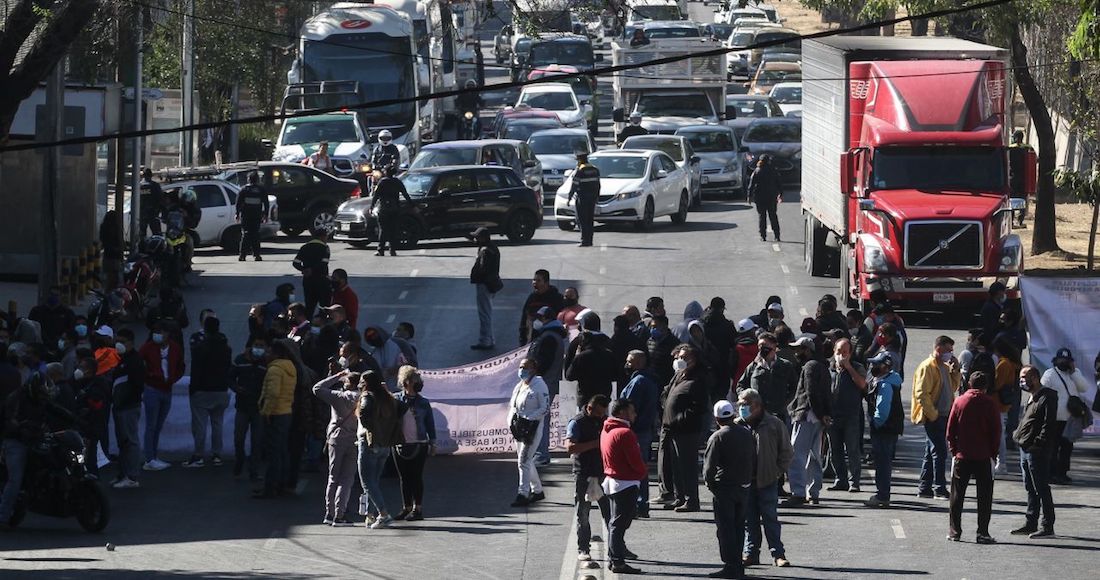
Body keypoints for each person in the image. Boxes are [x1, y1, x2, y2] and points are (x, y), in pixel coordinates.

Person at [736, 388, 792, 568]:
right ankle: (751, 553)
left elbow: (787, 452)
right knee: (748, 521)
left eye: (745, 404)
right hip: (745, 482)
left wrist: (776, 472)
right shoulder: (737, 425)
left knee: (770, 519)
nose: (741, 407)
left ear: (757, 406)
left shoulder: (774, 424)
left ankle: (778, 554)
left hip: (767, 481)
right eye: (740, 404)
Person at [946, 372, 1001, 544]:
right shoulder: (990, 403)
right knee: (984, 496)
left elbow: (950, 430)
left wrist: (954, 451)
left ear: (969, 384)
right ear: (986, 386)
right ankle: (982, 532)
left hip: (963, 455)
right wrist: (993, 453)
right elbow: (996, 431)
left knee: (957, 496)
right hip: (983, 455)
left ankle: (955, 531)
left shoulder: (960, 401)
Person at [704, 400, 756, 579]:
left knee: (725, 528)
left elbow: (709, 468)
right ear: (733, 415)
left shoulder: (717, 437)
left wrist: (712, 486)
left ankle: (731, 565)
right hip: (744, 486)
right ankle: (738, 564)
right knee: (739, 526)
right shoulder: (746, 433)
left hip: (725, 487)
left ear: (716, 418)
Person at [601, 398, 647, 575]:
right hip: (626, 482)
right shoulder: (625, 433)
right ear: (621, 412)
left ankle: (614, 558)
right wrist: (642, 473)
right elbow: (635, 460)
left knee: (616, 523)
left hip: (613, 481)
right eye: (632, 410)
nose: (634, 414)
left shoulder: (608, 429)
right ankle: (618, 561)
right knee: (620, 524)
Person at [1011, 366, 1059, 538]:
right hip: (1025, 449)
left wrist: (1037, 444)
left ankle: (1047, 526)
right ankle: (1031, 522)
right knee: (1030, 488)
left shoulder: (1047, 397)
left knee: (1041, 488)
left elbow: (1048, 425)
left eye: (1025, 377)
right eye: (1021, 377)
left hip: (1036, 451)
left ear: (1035, 378)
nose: (1022, 380)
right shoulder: (1032, 397)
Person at [661, 345, 709, 512]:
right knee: (676, 466)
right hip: (672, 429)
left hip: (686, 431)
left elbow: (699, 407)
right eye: (679, 357)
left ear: (693, 360)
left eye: (684, 357)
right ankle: (679, 496)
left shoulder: (698, 380)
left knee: (687, 467)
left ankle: (691, 500)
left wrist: (679, 419)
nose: (680, 360)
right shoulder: (679, 376)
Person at [912, 335, 961, 499]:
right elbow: (921, 393)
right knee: (939, 452)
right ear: (939, 348)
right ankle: (939, 488)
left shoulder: (945, 367)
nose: (951, 354)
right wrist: (932, 415)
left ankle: (924, 487)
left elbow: (952, 387)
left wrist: (956, 371)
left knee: (930, 452)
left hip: (944, 415)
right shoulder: (928, 367)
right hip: (935, 416)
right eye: (948, 350)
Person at [784, 336, 830, 506]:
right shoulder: (822, 366)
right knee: (814, 456)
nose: (796, 352)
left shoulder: (810, 366)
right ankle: (813, 492)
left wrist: (819, 412)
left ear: (807, 350)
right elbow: (827, 393)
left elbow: (811, 393)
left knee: (796, 455)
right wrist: (825, 414)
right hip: (817, 418)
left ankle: (798, 493)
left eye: (799, 349)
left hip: (806, 415)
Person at [313, 369, 362, 526]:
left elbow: (317, 388)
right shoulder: (363, 398)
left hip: (335, 438)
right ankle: (340, 515)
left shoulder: (337, 396)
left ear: (347, 383)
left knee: (333, 477)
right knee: (347, 478)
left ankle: (329, 513)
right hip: (354, 439)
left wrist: (337, 376)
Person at [566, 394, 611, 562]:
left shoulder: (605, 420)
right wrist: (596, 443)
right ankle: (583, 548)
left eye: (603, 413)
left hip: (602, 473)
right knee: (583, 514)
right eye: (598, 413)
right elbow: (570, 448)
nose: (601, 416)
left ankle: (616, 548)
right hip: (583, 473)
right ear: (589, 408)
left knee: (610, 513)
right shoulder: (577, 422)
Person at [356, 370, 403, 528]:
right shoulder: (387, 397)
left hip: (370, 444)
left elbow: (363, 413)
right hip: (385, 445)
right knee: (374, 481)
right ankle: (370, 514)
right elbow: (402, 407)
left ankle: (383, 514)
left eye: (362, 381)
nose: (360, 384)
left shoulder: (367, 396)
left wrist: (372, 429)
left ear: (367, 383)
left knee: (367, 482)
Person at [183, 315, 232, 468]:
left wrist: (193, 388)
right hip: (221, 389)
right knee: (217, 423)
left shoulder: (200, 348)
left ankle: (198, 455)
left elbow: (196, 369)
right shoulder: (226, 348)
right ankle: (216, 454)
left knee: (200, 425)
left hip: (203, 389)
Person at [1040, 347, 1091, 485]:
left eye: (1067, 360)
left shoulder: (1074, 374)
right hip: (1054, 418)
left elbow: (1084, 387)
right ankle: (1052, 473)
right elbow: (1043, 390)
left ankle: (1063, 473)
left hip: (1070, 419)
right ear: (1056, 360)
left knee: (1067, 448)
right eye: (1061, 359)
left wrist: (1074, 372)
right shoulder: (1049, 374)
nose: (1064, 362)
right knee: (1053, 447)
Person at [139, 324, 185, 471]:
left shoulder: (175, 348)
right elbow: (139, 364)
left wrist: (172, 379)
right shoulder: (147, 347)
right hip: (152, 389)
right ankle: (149, 458)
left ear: (167, 334)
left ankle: (154, 455)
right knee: (151, 425)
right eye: (155, 331)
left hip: (167, 390)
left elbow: (180, 366)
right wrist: (150, 376)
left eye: (160, 331)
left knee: (158, 425)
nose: (157, 335)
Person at [393, 366, 436, 521]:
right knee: (404, 478)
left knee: (416, 476)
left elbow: (430, 424)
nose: (419, 383)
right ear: (406, 382)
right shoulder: (396, 399)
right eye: (415, 380)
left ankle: (418, 508)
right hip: (400, 444)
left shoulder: (424, 403)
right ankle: (406, 507)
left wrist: (433, 442)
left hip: (420, 444)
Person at [862, 351, 904, 508]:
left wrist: (876, 423)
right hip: (889, 429)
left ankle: (882, 495)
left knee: (883, 463)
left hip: (884, 429)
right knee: (883, 462)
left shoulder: (885, 385)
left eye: (876, 364)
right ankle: (882, 493)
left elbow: (882, 409)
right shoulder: (885, 381)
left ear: (885, 367)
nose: (872, 366)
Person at [619, 349, 658, 516]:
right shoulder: (644, 380)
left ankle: (638, 504)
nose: (627, 364)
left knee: (635, 468)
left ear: (639, 362)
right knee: (639, 467)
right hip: (643, 430)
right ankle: (641, 503)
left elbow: (628, 407)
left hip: (637, 431)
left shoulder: (639, 382)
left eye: (630, 361)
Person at [256, 340, 297, 499]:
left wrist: (266, 411)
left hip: (275, 414)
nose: (266, 355)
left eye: (269, 352)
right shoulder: (290, 367)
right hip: (286, 411)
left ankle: (270, 487)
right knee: (281, 451)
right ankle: (281, 484)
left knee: (273, 453)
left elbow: (272, 393)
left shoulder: (274, 370)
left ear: (275, 354)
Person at [825, 338, 867, 493]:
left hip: (851, 415)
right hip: (832, 416)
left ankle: (854, 481)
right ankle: (840, 479)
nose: (841, 355)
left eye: (844, 352)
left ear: (850, 354)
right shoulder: (829, 369)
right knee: (834, 450)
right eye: (838, 352)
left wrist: (849, 368)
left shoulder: (857, 367)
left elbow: (863, 385)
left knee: (852, 449)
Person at [508, 358, 550, 507]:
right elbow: (513, 406)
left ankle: (523, 493)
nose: (522, 370)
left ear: (534, 369)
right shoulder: (520, 386)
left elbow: (544, 408)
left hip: (531, 430)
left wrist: (529, 419)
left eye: (525, 367)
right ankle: (538, 491)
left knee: (523, 461)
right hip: (519, 429)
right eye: (520, 367)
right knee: (526, 460)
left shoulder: (540, 386)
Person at [528, 307, 567, 464]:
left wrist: (533, 377)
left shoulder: (549, 338)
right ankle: (540, 453)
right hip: (546, 383)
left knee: (539, 420)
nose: (536, 321)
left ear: (546, 319)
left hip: (544, 383)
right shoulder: (551, 335)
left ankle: (541, 454)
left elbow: (543, 363)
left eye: (539, 317)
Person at [736, 332, 798, 426]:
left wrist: (786, 402)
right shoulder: (753, 367)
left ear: (774, 346)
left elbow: (795, 387)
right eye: (760, 346)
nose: (762, 349)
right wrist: (747, 399)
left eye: (765, 346)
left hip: (779, 415)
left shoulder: (785, 366)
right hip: (757, 416)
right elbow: (740, 385)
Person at [231, 336, 268, 482]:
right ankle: (240, 459)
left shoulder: (266, 363)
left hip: (259, 407)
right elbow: (230, 377)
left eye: (261, 345)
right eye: (256, 345)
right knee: (238, 438)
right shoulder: (240, 360)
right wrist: (236, 388)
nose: (259, 348)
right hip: (242, 406)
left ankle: (254, 470)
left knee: (257, 441)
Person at [111, 329, 145, 488]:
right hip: (120, 406)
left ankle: (132, 476)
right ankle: (123, 474)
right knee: (123, 442)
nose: (118, 344)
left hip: (129, 406)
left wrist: (124, 399)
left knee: (130, 441)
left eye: (123, 341)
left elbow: (137, 385)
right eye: (117, 341)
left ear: (131, 342)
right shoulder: (121, 359)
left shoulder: (135, 361)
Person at [991, 337, 1023, 475]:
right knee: (1000, 432)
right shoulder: (1012, 363)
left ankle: (1001, 462)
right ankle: (1000, 462)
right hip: (1004, 402)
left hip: (997, 402)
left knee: (999, 434)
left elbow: (997, 383)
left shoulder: (1004, 364)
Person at [469, 227, 502, 350]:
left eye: (477, 237)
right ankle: (489, 339)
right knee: (487, 312)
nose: (475, 240)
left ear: (483, 238)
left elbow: (482, 269)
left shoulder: (485, 251)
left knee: (484, 314)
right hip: (490, 284)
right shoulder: (492, 247)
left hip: (485, 285)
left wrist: (476, 276)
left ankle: (485, 341)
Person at [370, 167, 413, 257]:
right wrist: (412, 205)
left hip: (384, 209)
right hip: (395, 209)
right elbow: (405, 194)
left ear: (386, 172)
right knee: (393, 230)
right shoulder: (397, 182)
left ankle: (381, 249)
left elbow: (376, 195)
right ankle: (392, 249)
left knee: (383, 230)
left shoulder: (382, 182)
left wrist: (372, 206)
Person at [293, 227, 332, 317]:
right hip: (322, 280)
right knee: (324, 307)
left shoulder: (304, 247)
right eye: (326, 237)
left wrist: (303, 269)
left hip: (308, 281)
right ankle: (322, 326)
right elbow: (324, 263)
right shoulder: (324, 248)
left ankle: (308, 325)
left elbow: (295, 263)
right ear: (322, 237)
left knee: (309, 306)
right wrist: (313, 270)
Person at [518, 269, 564, 345]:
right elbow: (524, 319)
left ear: (546, 283)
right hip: (533, 339)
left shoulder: (557, 298)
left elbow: (561, 320)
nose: (535, 283)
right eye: (534, 280)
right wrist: (522, 340)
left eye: (538, 280)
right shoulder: (532, 298)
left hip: (550, 339)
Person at [568, 150, 601, 247]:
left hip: (582, 198)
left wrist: (569, 197)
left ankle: (584, 240)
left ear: (579, 160)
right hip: (592, 198)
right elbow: (598, 185)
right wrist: (597, 197)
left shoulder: (580, 171)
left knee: (581, 219)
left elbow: (574, 185)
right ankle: (590, 240)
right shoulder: (595, 169)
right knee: (590, 219)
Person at [235, 171, 270, 261]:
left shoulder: (244, 189)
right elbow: (266, 203)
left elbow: (238, 203)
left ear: (248, 179)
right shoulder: (261, 190)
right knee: (255, 234)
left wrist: (237, 214)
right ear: (258, 180)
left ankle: (242, 255)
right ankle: (257, 255)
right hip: (256, 215)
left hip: (245, 216)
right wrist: (266, 215)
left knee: (245, 234)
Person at [748, 155, 782, 242]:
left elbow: (751, 185)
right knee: (773, 216)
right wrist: (780, 194)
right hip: (771, 197)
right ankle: (777, 236)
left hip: (759, 197)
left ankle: (763, 236)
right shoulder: (773, 170)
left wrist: (749, 196)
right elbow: (779, 183)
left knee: (762, 217)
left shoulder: (757, 171)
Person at [647, 315, 680, 387]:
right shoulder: (650, 341)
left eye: (655, 327)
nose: (652, 329)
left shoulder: (674, 343)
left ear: (664, 326)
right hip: (650, 381)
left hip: (665, 382)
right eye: (651, 327)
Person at [1008, 129, 1033, 226]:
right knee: (1023, 199)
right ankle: (1020, 221)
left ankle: (1011, 221)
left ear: (1016, 138)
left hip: (1013, 178)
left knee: (1012, 199)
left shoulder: (1010, 148)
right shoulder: (1028, 148)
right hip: (1024, 179)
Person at [99, 210, 125, 291]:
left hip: (107, 255)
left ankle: (108, 292)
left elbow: (102, 240)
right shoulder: (116, 227)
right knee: (115, 278)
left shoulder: (103, 227)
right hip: (115, 256)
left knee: (109, 278)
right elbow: (119, 241)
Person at [139, 167, 165, 237]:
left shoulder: (138, 186)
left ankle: (142, 246)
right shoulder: (155, 186)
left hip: (142, 214)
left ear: (143, 175)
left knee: (141, 235)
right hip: (153, 213)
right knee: (157, 234)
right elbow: (161, 199)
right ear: (151, 175)